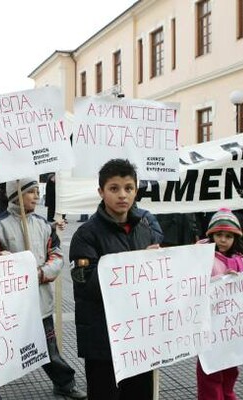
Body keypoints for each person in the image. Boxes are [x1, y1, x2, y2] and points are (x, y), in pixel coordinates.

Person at [0, 178, 87, 400]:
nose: (37, 196)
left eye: (38, 191)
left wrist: (40, 273)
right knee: (1, 352)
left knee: (49, 350)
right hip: (9, 309)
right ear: (15, 195)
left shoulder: (44, 225)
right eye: (31, 192)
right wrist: (6, 264)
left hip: (40, 304)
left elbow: (56, 256)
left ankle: (65, 383)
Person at [69, 159, 160, 399]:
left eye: (129, 188)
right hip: (102, 337)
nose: (122, 195)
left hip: (139, 335)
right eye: (114, 188)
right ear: (100, 192)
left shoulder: (145, 227)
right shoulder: (86, 235)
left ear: (136, 190)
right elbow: (87, 285)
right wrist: (137, 262)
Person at [196, 208, 243, 400]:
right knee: (210, 372)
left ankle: (227, 395)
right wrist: (220, 279)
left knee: (231, 370)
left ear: (236, 238)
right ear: (211, 235)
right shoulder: (202, 256)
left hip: (232, 330)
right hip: (210, 329)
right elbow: (195, 284)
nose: (223, 240)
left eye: (228, 236)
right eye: (218, 235)